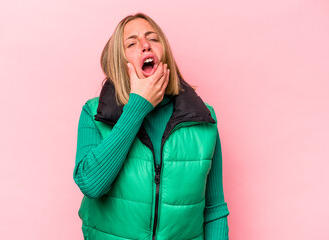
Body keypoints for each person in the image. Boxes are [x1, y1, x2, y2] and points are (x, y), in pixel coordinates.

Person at [73, 13, 230, 240]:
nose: (145, 46)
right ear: (120, 60)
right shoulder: (94, 114)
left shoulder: (203, 119)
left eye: (153, 39)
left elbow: (214, 210)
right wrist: (138, 105)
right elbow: (91, 184)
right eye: (132, 43)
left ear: (164, 52)